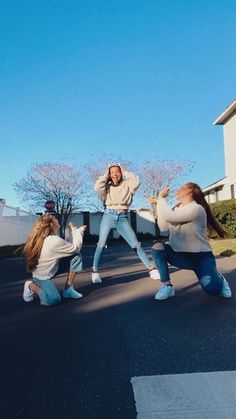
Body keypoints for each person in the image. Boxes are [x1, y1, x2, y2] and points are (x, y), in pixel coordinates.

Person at [149, 182, 232, 300]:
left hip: (201, 257)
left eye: (182, 188)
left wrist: (161, 199)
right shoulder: (175, 209)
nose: (178, 189)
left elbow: (169, 217)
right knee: (157, 248)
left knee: (212, 290)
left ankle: (220, 279)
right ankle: (167, 286)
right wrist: (158, 205)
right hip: (180, 255)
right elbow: (163, 227)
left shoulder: (197, 209)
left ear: (189, 192)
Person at [91, 163, 160, 283]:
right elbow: (97, 187)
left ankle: (151, 269)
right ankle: (95, 272)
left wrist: (124, 171)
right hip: (108, 215)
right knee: (101, 244)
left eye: (117, 172)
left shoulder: (128, 184)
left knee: (135, 244)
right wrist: (105, 175)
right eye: (112, 173)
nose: (115, 175)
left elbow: (137, 182)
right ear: (109, 175)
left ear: (121, 172)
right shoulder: (106, 187)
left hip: (122, 217)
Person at [23, 214, 86, 306]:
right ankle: (30, 286)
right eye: (55, 219)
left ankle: (68, 289)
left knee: (76, 257)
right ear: (51, 225)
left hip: (52, 269)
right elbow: (75, 248)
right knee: (53, 299)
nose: (57, 220)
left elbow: (69, 249)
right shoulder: (53, 240)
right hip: (41, 277)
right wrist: (76, 230)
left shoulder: (43, 238)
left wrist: (75, 231)